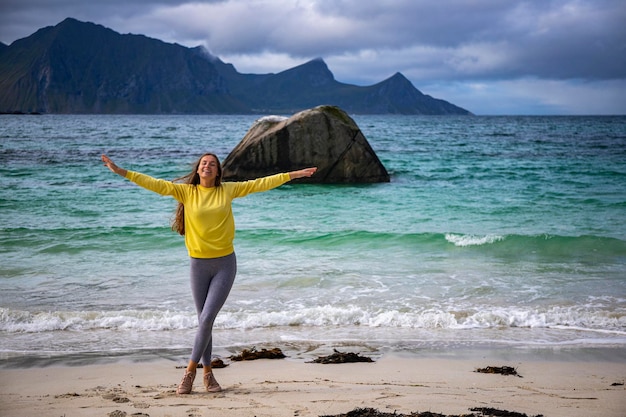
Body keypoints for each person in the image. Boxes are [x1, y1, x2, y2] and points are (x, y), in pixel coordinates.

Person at [101, 153, 317, 395]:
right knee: (205, 321)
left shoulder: (227, 190)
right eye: (204, 163)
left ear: (217, 172)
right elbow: (154, 183)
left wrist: (294, 175)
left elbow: (260, 183)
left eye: (212, 164)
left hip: (225, 264)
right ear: (198, 169)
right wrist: (120, 171)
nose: (207, 166)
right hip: (198, 266)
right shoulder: (186, 192)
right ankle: (209, 375)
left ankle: (189, 373)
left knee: (205, 320)